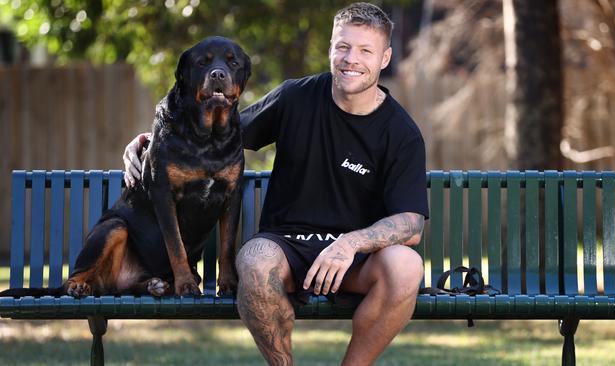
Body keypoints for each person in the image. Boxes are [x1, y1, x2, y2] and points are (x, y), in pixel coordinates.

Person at [123, 3, 428, 365]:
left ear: (385, 57)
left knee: (407, 266)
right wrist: (154, 138)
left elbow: (411, 224)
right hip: (286, 245)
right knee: (252, 262)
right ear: (331, 48)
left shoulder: (401, 133)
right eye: (343, 47)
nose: (351, 59)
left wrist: (352, 242)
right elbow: (221, 133)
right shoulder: (295, 97)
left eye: (365, 50)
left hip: (355, 260)